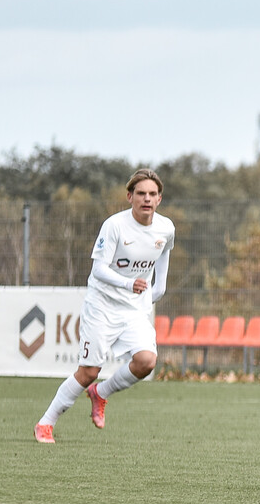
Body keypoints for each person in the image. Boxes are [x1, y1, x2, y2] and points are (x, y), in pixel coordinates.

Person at [34, 169, 175, 444]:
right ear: (129, 196)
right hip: (102, 306)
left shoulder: (166, 228)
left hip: (133, 309)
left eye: (152, 194)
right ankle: (45, 423)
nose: (146, 199)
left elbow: (162, 265)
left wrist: (156, 293)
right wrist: (127, 284)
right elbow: (98, 269)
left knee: (147, 362)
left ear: (159, 199)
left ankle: (101, 393)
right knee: (89, 372)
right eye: (141, 193)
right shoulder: (115, 226)